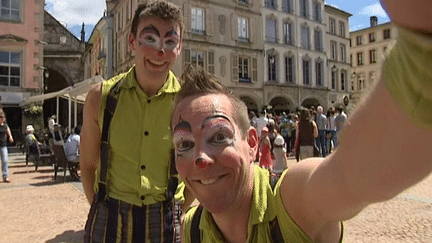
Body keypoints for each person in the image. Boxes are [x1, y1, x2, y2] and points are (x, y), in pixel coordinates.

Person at [172, 14, 432, 240]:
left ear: (252, 143)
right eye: (184, 144)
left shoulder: (292, 202)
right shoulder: (191, 229)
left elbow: (355, 177)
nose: (200, 158)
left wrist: (422, 34)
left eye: (218, 136)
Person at [80, 1, 191, 242]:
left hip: (165, 220)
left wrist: (178, 212)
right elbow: (88, 166)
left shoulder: (189, 105)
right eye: (150, 38)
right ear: (132, 42)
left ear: (179, 47)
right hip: (109, 217)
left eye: (170, 42)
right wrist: (100, 210)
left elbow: (196, 173)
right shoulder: (101, 98)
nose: (160, 51)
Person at [0, 112, 13, 183]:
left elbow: (8, 132)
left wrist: (10, 137)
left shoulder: (5, 126)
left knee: (5, 160)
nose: (1, 119)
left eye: (2, 118)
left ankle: (5, 176)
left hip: (3, 145)